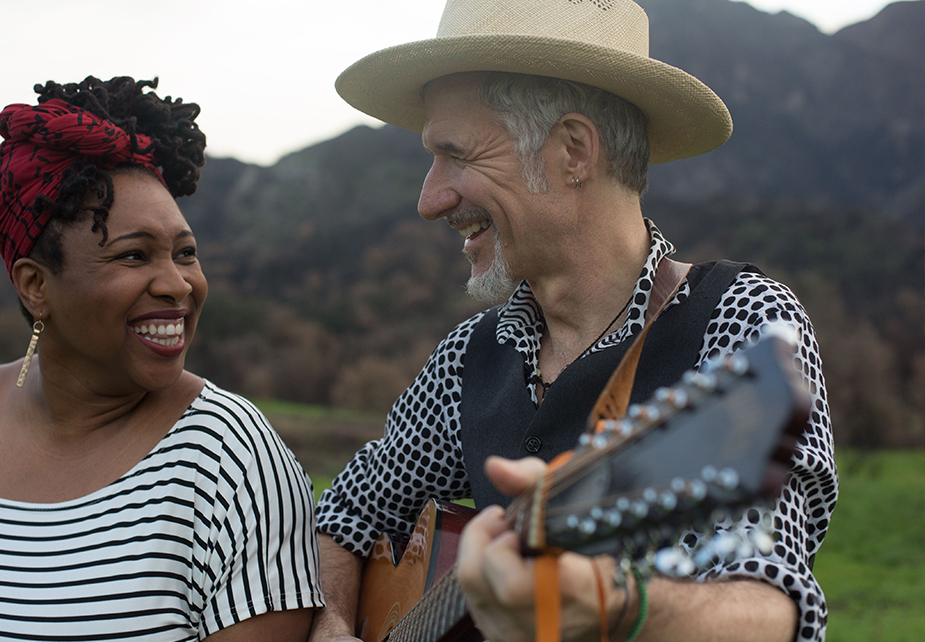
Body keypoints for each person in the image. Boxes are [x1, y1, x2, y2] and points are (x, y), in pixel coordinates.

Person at [311, 1, 836, 642]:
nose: (430, 199)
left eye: (456, 154)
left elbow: (770, 605)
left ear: (572, 150)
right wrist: (333, 625)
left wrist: (618, 603)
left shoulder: (739, 321)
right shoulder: (467, 358)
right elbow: (344, 517)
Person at [0, 76, 323, 640]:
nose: (178, 285)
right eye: (133, 256)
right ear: (35, 286)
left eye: (186, 253)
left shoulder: (229, 460)